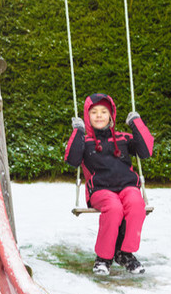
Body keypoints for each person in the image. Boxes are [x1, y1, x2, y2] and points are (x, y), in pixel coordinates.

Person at [65, 93, 154, 276]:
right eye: (94, 112)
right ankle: (103, 258)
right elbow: (72, 160)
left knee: (137, 204)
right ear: (87, 117)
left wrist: (136, 123)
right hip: (100, 190)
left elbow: (145, 151)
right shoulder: (86, 141)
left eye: (104, 111)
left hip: (127, 187)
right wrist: (78, 131)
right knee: (114, 208)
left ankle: (125, 254)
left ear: (111, 115)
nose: (99, 115)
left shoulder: (122, 138)